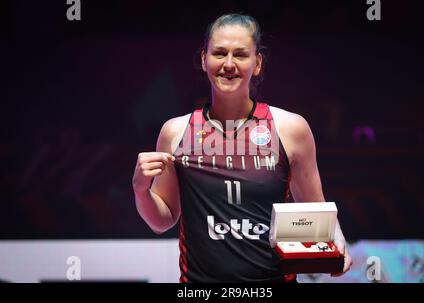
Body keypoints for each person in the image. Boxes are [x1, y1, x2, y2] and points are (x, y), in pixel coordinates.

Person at [132, 13, 352, 282]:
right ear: (204, 59)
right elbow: (161, 220)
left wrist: (337, 240)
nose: (228, 64)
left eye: (240, 54)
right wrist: (141, 189)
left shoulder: (290, 129)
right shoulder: (175, 132)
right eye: (219, 53)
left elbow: (315, 210)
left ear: (257, 63)